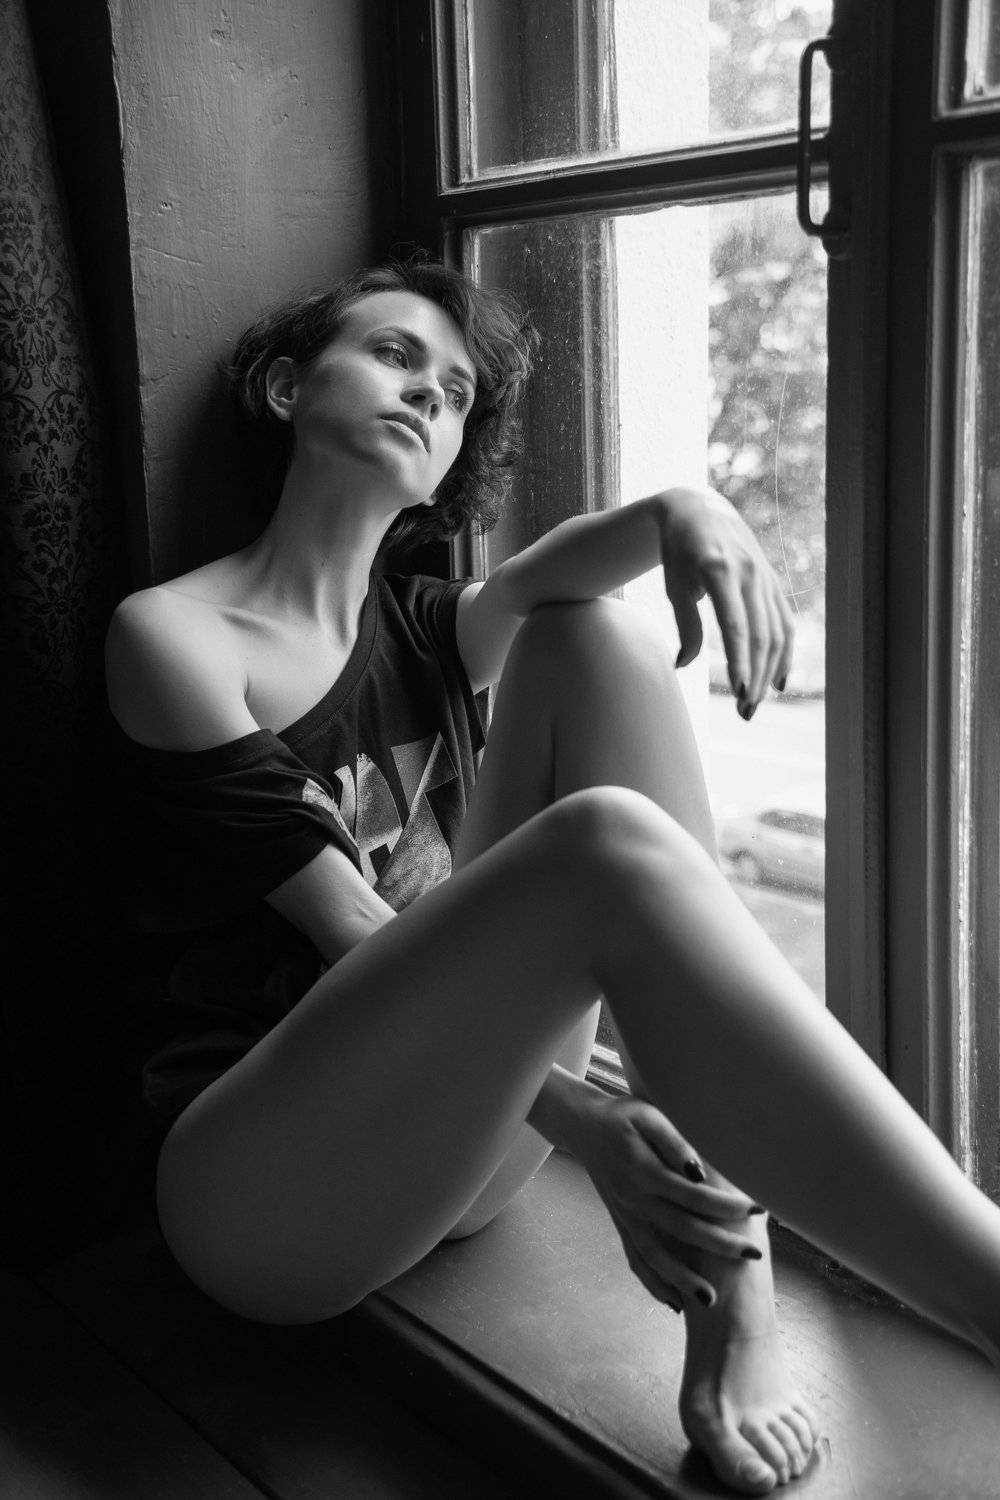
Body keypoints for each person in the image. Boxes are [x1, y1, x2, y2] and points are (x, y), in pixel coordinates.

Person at [105, 259, 1000, 1497]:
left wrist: (687, 508)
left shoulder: (426, 626)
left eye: (455, 393)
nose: (427, 394)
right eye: (394, 355)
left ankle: (724, 1280)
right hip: (262, 1192)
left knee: (595, 630)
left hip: (468, 1136)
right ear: (285, 387)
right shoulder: (173, 634)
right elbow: (353, 927)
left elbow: (553, 581)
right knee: (602, 843)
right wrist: (587, 1123)